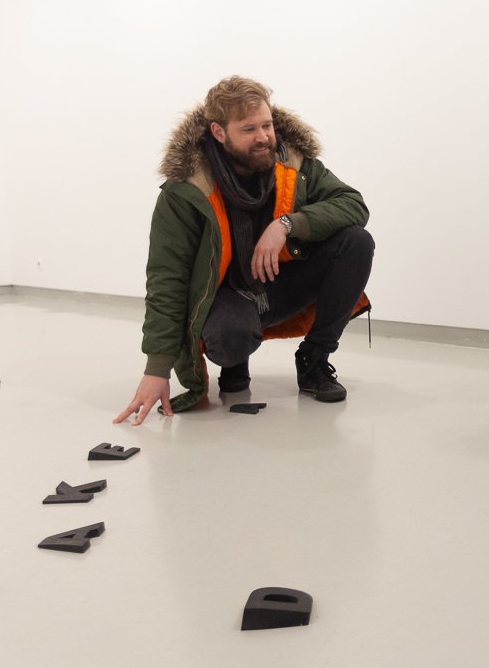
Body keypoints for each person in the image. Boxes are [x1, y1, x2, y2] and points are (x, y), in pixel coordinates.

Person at [115, 76, 374, 425]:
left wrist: (286, 225)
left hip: (282, 283)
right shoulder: (186, 190)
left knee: (356, 242)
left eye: (267, 125)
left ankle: (314, 359)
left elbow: (353, 204)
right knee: (228, 339)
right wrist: (156, 369)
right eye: (249, 129)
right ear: (219, 132)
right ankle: (235, 360)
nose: (264, 136)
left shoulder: (294, 164)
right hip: (227, 297)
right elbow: (166, 279)